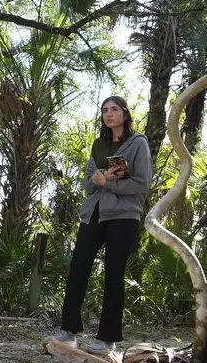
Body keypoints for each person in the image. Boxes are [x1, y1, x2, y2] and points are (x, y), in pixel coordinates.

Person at [43, 96, 152, 355]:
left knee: (113, 275)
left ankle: (107, 340)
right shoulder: (99, 144)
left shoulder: (138, 143)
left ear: (125, 114)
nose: (109, 114)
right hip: (93, 214)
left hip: (123, 216)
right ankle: (68, 332)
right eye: (105, 110)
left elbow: (142, 184)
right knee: (78, 267)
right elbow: (88, 182)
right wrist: (97, 179)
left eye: (114, 109)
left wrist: (109, 183)